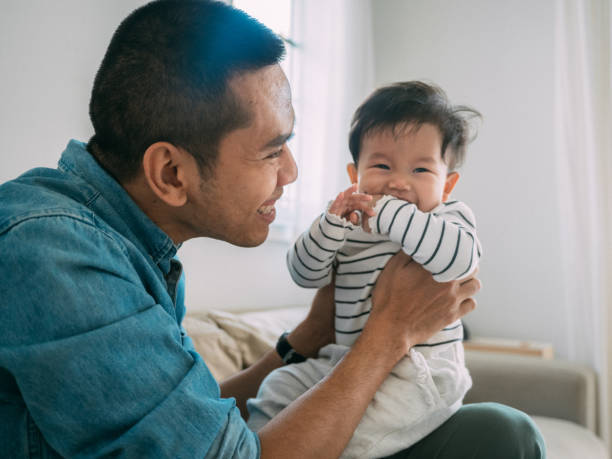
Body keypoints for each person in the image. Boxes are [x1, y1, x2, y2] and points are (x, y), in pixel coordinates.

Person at [0, 1, 544, 458]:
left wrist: (302, 341)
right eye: (269, 151)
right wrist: (388, 334)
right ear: (171, 173)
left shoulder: (133, 245)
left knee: (501, 430)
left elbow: (186, 425)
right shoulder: (58, 255)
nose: (291, 172)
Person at [247, 81, 482, 458]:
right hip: (344, 362)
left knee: (349, 437)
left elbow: (459, 260)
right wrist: (330, 225)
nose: (399, 182)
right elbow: (304, 272)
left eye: (421, 169)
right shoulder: (347, 221)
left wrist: (389, 211)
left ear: (447, 184)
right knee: (280, 385)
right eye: (382, 165)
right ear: (354, 173)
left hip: (417, 371)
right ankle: (250, 448)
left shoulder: (447, 217)